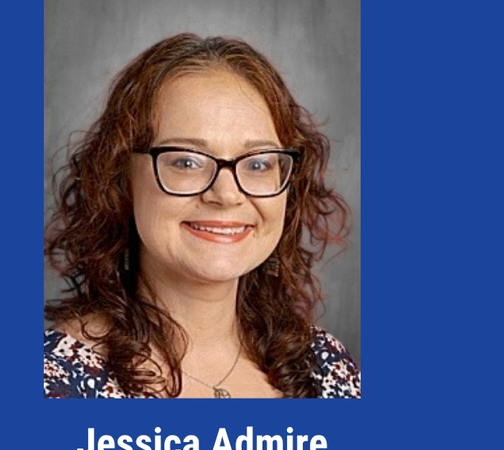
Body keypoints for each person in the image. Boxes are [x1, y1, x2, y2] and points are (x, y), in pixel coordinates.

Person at [44, 34, 359, 398]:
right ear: (120, 179)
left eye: (258, 163)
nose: (226, 194)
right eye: (186, 161)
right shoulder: (53, 381)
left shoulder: (326, 366)